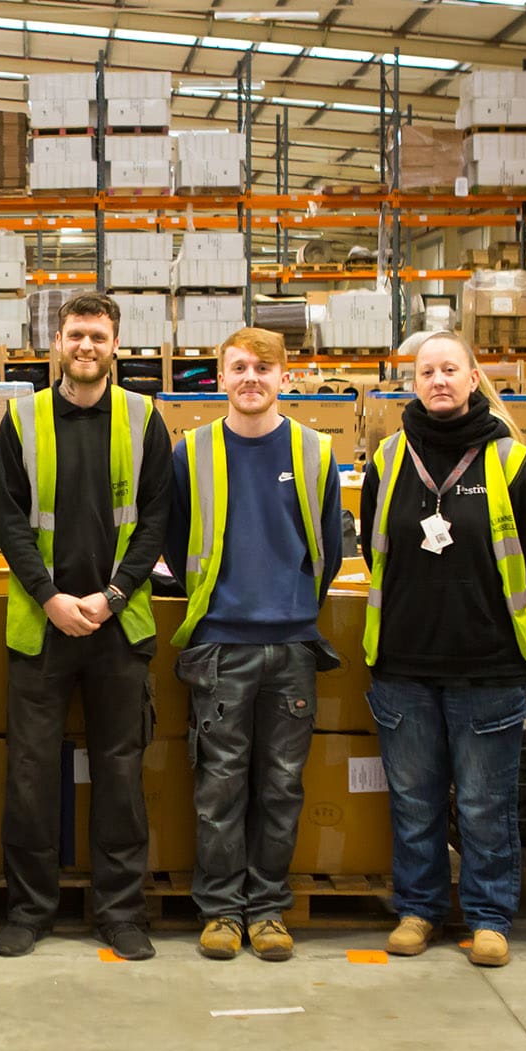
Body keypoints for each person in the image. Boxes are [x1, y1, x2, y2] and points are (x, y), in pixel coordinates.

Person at [0, 292, 172, 961]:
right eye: (76, 335)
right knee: (31, 774)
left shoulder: (144, 418)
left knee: (120, 774)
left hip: (117, 628)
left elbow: (157, 517)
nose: (87, 346)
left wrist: (113, 596)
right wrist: (49, 598)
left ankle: (120, 913)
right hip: (42, 626)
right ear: (58, 343)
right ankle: (29, 911)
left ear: (116, 345)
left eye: (98, 336)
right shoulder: (23, 418)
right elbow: (8, 518)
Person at [359, 331, 526, 968]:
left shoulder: (509, 461)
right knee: (414, 803)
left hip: (487, 663)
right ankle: (419, 910)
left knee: (484, 806)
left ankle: (489, 918)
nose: (438, 381)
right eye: (426, 372)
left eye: (449, 370)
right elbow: (374, 549)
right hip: (404, 663)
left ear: (472, 379)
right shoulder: (389, 458)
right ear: (413, 384)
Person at [164, 327, 342, 963]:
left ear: (283, 378)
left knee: (282, 786)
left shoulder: (315, 452)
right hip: (220, 646)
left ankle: (266, 910)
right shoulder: (191, 453)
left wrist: (288, 605)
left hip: (292, 646)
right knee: (220, 787)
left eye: (263, 369)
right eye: (238, 367)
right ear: (220, 377)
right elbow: (175, 542)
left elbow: (328, 550)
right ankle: (220, 911)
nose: (250, 379)